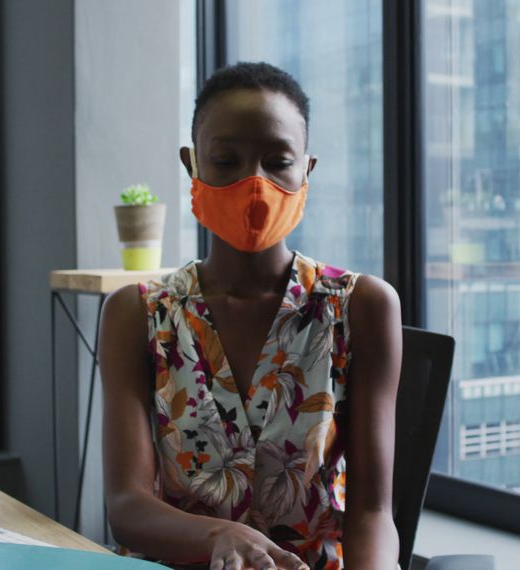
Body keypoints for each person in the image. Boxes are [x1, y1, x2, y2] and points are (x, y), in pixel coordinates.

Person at [98, 62, 402, 570]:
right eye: (226, 160)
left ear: (306, 169)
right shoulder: (138, 314)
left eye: (277, 160)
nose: (253, 182)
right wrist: (218, 535)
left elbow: (372, 509)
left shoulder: (360, 307)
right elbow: (126, 506)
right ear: (192, 163)